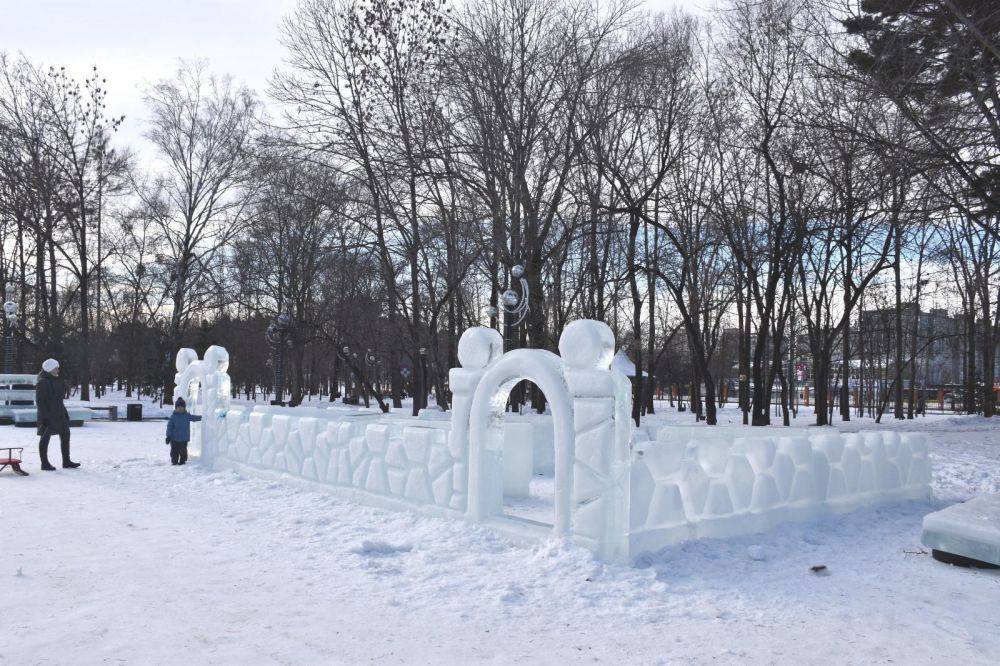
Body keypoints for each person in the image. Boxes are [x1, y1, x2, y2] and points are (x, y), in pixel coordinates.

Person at [36, 358, 80, 471]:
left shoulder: (56, 380)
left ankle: (66, 461)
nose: (58, 370)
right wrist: (45, 418)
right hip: (48, 416)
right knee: (45, 438)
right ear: (50, 368)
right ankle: (44, 463)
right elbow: (40, 402)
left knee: (66, 434)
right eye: (56, 368)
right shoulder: (42, 382)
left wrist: (64, 412)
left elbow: (59, 400)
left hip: (60, 414)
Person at [165, 397, 201, 465]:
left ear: (184, 408)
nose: (180, 408)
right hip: (174, 438)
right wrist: (168, 436)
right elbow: (169, 427)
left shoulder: (187, 416)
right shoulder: (173, 417)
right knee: (174, 451)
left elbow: (194, 418)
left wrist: (202, 417)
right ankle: (174, 461)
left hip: (183, 438)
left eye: (181, 407)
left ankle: (182, 461)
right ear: (176, 408)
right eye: (178, 407)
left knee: (183, 451)